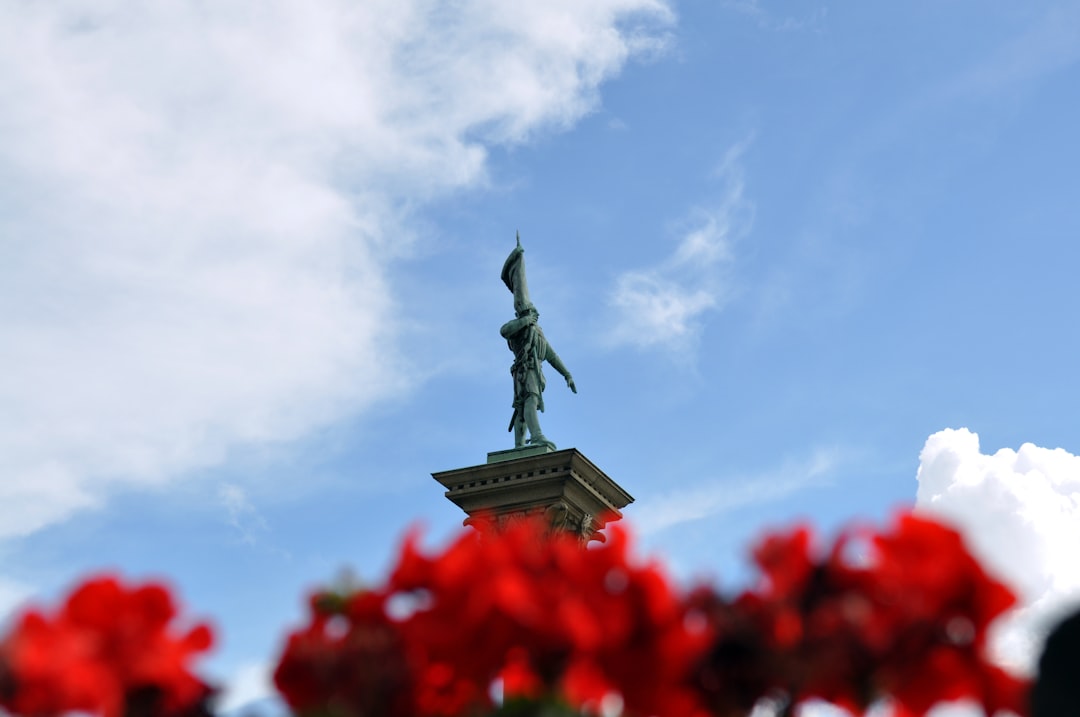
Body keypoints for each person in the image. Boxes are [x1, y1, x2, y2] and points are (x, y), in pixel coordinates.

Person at [500, 302, 576, 449]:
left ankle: (519, 444)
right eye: (531, 312)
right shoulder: (520, 330)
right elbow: (504, 331)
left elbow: (552, 356)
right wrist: (526, 321)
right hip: (524, 369)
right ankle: (536, 436)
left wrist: (567, 375)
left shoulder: (538, 333)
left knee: (523, 407)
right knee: (530, 400)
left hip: (535, 370)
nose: (535, 314)